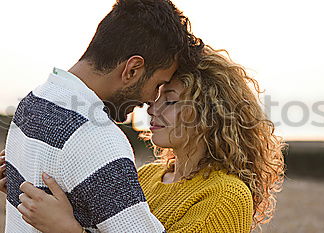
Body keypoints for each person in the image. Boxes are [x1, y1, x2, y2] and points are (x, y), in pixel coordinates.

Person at [0, 46, 286, 232]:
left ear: (211, 116)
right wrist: (28, 184)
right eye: (156, 97)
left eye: (170, 101)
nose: (152, 107)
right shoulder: (146, 175)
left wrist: (66, 229)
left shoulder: (226, 196)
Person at [3, 0, 203, 232]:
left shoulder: (32, 102)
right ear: (133, 70)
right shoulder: (97, 138)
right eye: (158, 84)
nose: (151, 100)